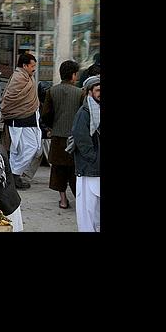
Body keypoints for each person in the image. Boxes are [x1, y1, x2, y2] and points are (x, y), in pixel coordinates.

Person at [41, 60, 85, 209]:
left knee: (58, 170)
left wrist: (51, 127)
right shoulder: (80, 93)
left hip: (57, 136)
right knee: (74, 170)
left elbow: (46, 114)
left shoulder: (51, 91)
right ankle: (79, 200)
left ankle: (63, 200)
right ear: (73, 75)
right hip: (75, 138)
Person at [1, 53, 41, 189]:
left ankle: (14, 174)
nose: (34, 68)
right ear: (24, 66)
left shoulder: (28, 76)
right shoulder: (19, 77)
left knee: (31, 148)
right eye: (32, 66)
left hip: (29, 119)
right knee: (25, 149)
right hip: (19, 120)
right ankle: (14, 174)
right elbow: (10, 98)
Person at [72, 76, 100, 232]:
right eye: (98, 90)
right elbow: (81, 139)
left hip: (97, 168)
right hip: (89, 169)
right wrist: (93, 158)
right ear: (90, 92)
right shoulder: (84, 112)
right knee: (87, 210)